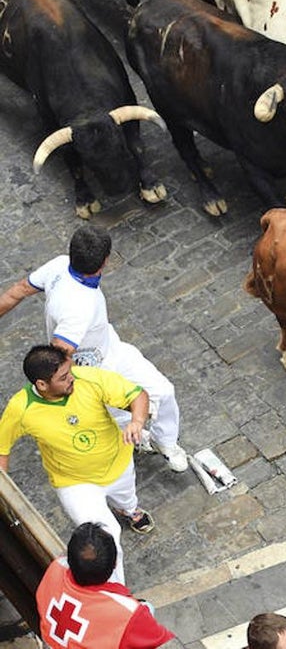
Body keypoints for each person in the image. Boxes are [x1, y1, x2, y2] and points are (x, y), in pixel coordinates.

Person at [0, 225, 186, 472]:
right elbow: (59, 351)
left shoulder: (59, 265)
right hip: (91, 370)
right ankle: (136, 442)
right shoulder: (81, 306)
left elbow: (19, 290)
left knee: (163, 392)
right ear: (105, 261)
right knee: (118, 415)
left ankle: (166, 443)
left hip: (111, 348)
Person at [0, 346, 155, 585]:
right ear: (42, 385)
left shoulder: (88, 378)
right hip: (74, 483)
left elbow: (137, 395)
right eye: (63, 378)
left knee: (126, 497)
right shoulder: (20, 409)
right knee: (105, 537)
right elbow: (2, 448)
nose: (71, 377)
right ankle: (115, 591)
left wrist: (137, 421)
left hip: (118, 462)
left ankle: (128, 510)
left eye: (69, 371)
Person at [36, 522, 174, 649]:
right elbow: (162, 641)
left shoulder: (56, 567)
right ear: (114, 564)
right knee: (147, 607)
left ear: (70, 561)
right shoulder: (128, 614)